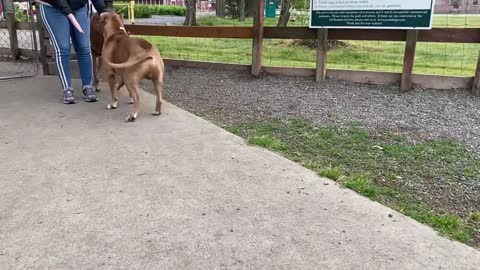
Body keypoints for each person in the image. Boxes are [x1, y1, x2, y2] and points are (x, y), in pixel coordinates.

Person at [37, 0, 108, 104]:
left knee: (84, 46)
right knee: (62, 48)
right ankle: (67, 89)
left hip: (79, 6)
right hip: (53, 7)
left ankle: (88, 87)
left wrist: (102, 9)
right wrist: (68, 12)